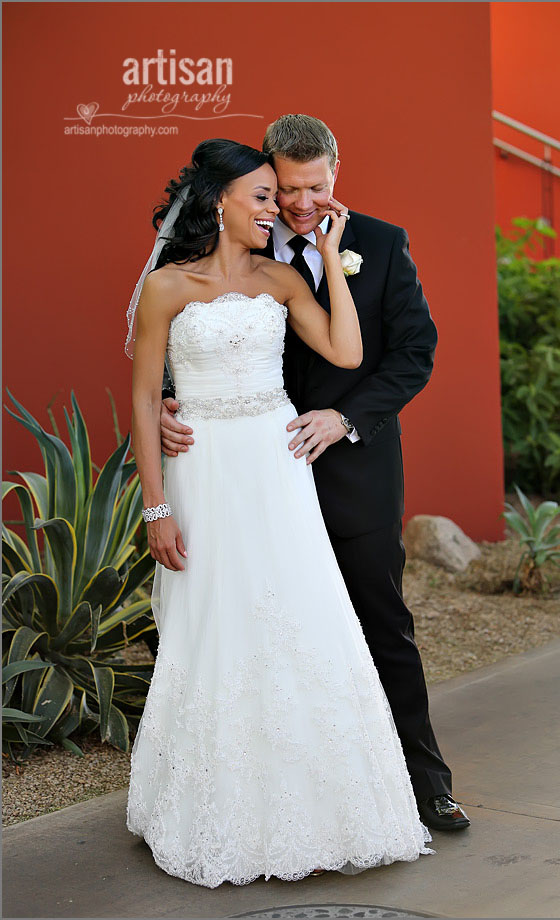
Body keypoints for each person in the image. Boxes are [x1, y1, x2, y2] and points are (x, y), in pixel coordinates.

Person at [126, 137, 434, 888]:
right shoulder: (168, 287)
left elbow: (348, 350)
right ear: (220, 203)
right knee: (214, 626)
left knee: (304, 620)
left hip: (276, 466)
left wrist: (330, 259)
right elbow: (141, 396)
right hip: (204, 471)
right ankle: (211, 804)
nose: (276, 207)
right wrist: (155, 504)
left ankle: (339, 801)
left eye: (279, 195)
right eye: (262, 196)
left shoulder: (281, 278)